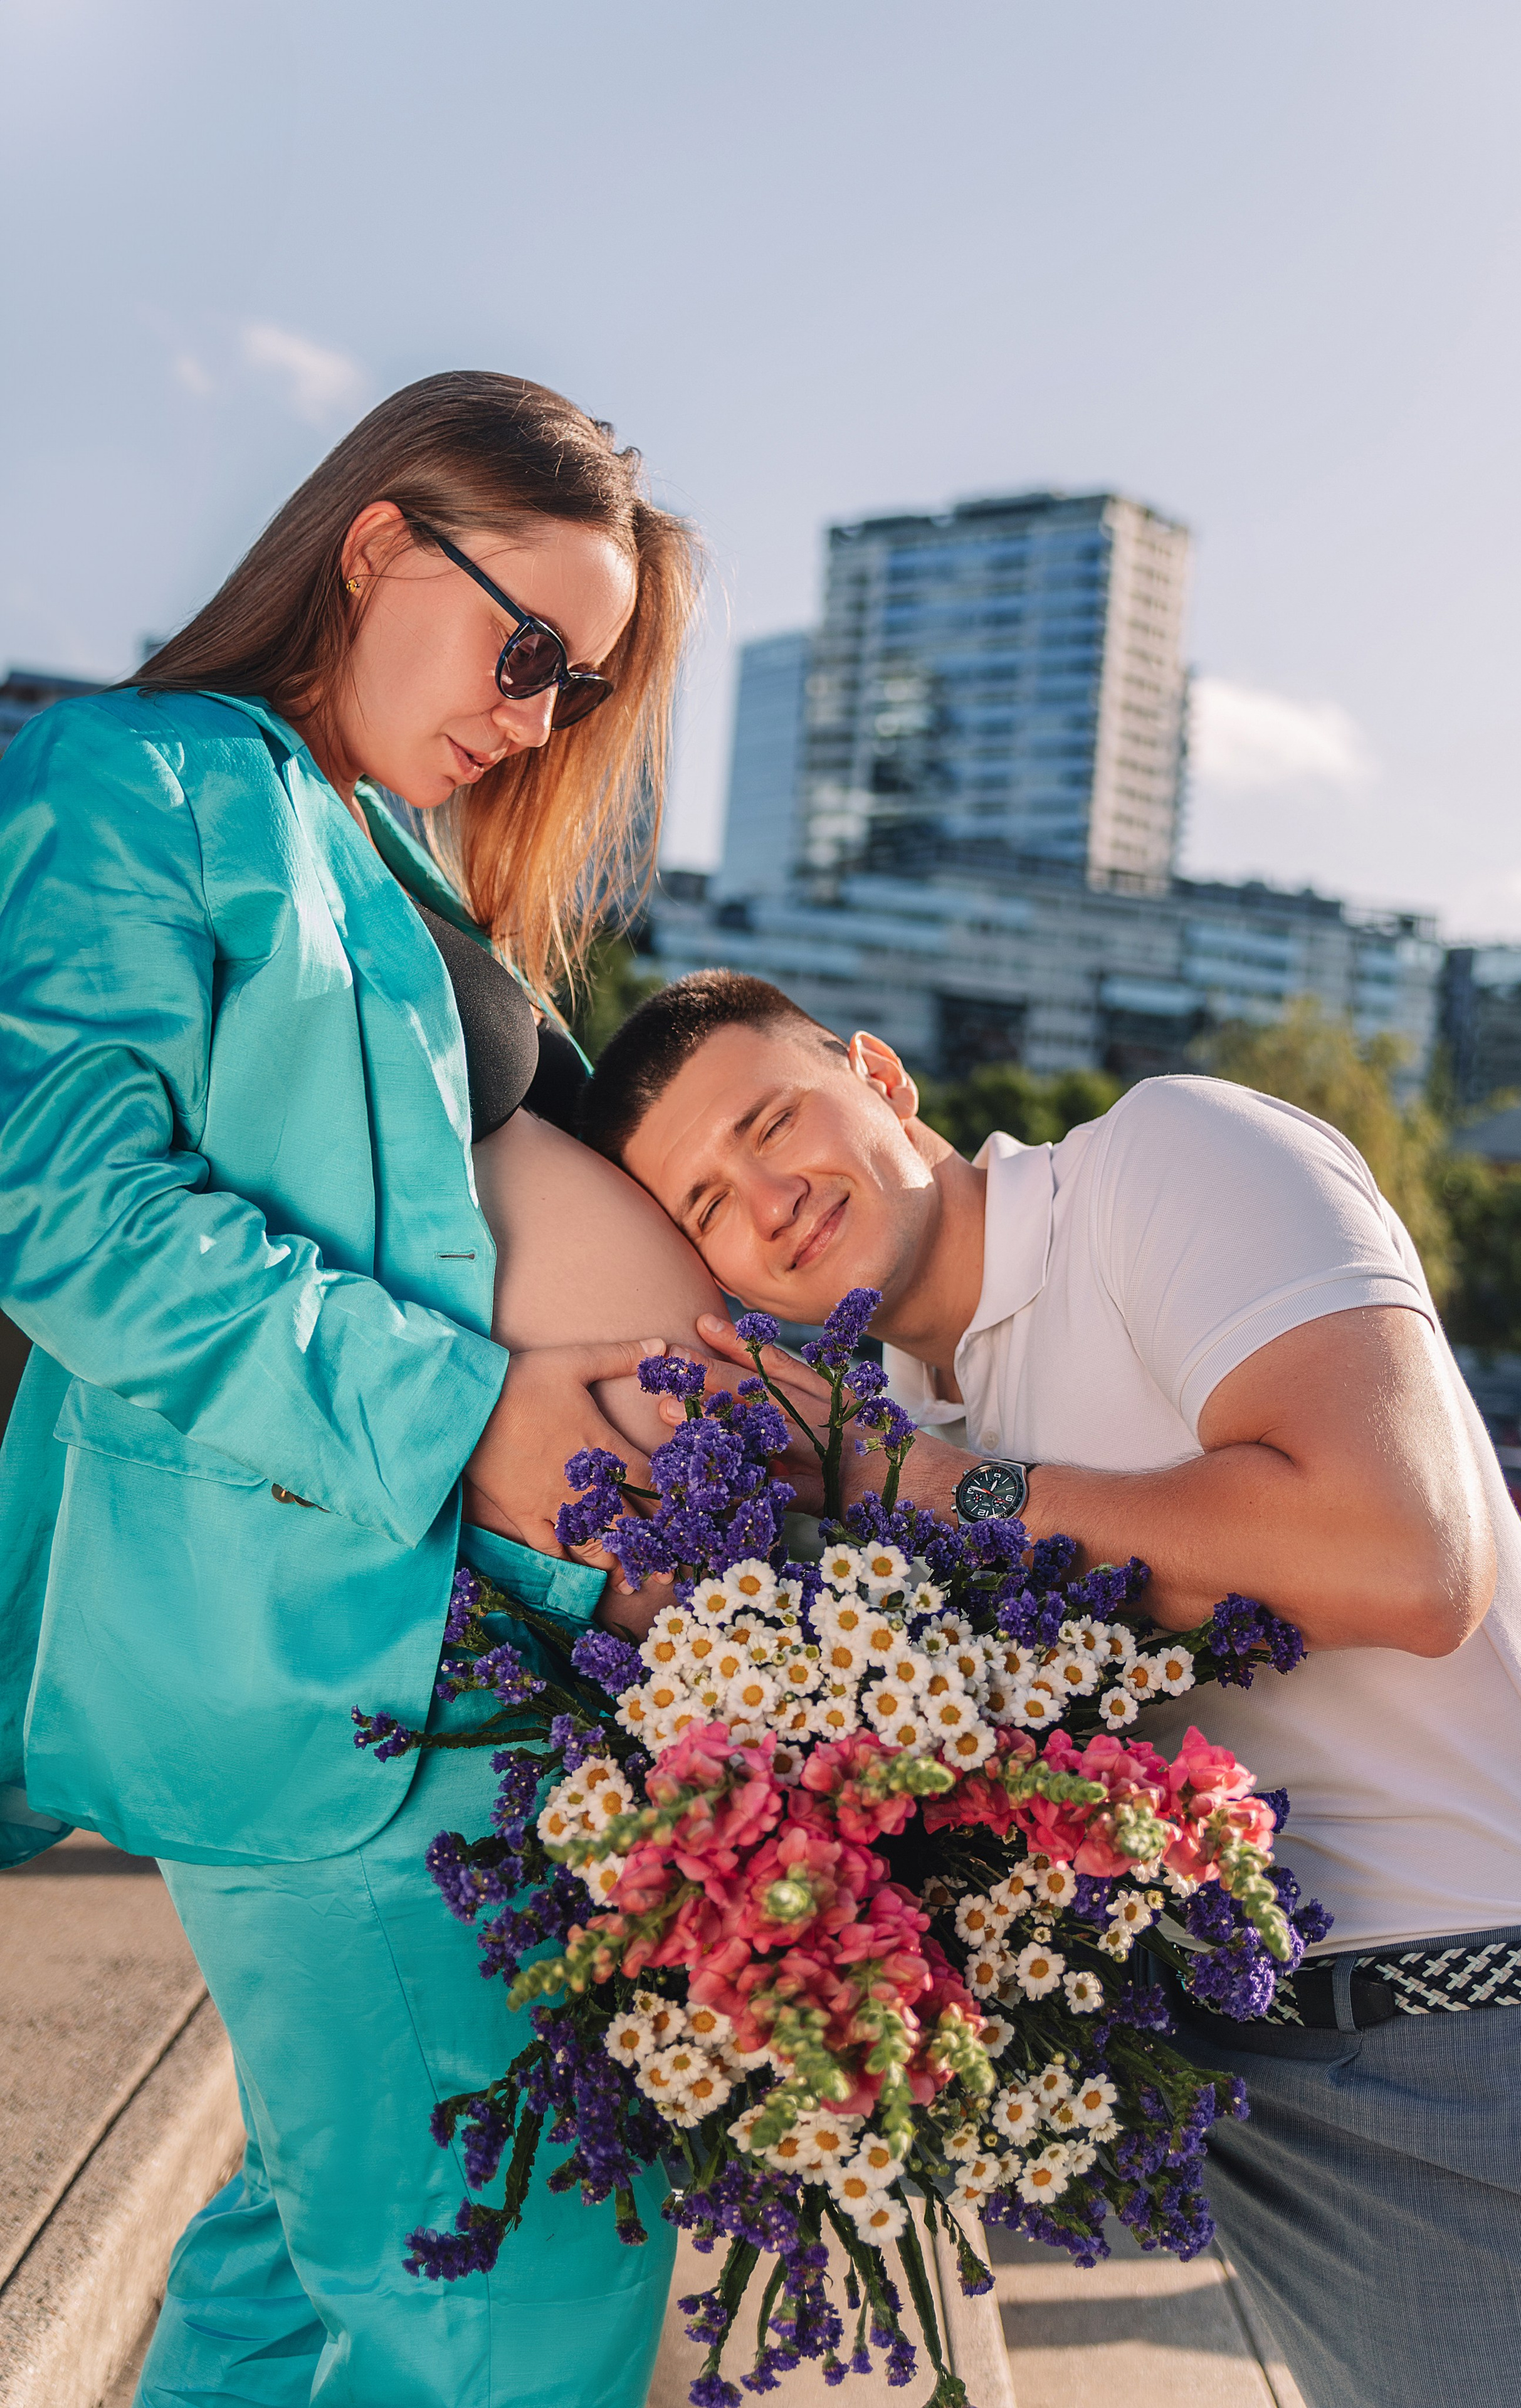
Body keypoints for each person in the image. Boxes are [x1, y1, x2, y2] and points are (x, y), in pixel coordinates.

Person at [0, 372, 739, 2408]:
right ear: (383, 543)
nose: (534, 719)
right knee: (517, 2330)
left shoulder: (404, 865)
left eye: (577, 694)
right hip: (357, 1686)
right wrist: (468, 1415)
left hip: (492, 1679)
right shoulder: (137, 781)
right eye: (530, 652)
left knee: (299, 2298)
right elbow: (65, 1204)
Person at [574, 966, 1521, 2408]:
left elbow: (1401, 1557)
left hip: (1497, 2021)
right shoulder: (897, 1421)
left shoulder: (1161, 1163)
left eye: (770, 1121)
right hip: (1263, 2084)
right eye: (700, 1205)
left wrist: (929, 1488)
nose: (761, 1198)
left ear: (879, 1076)